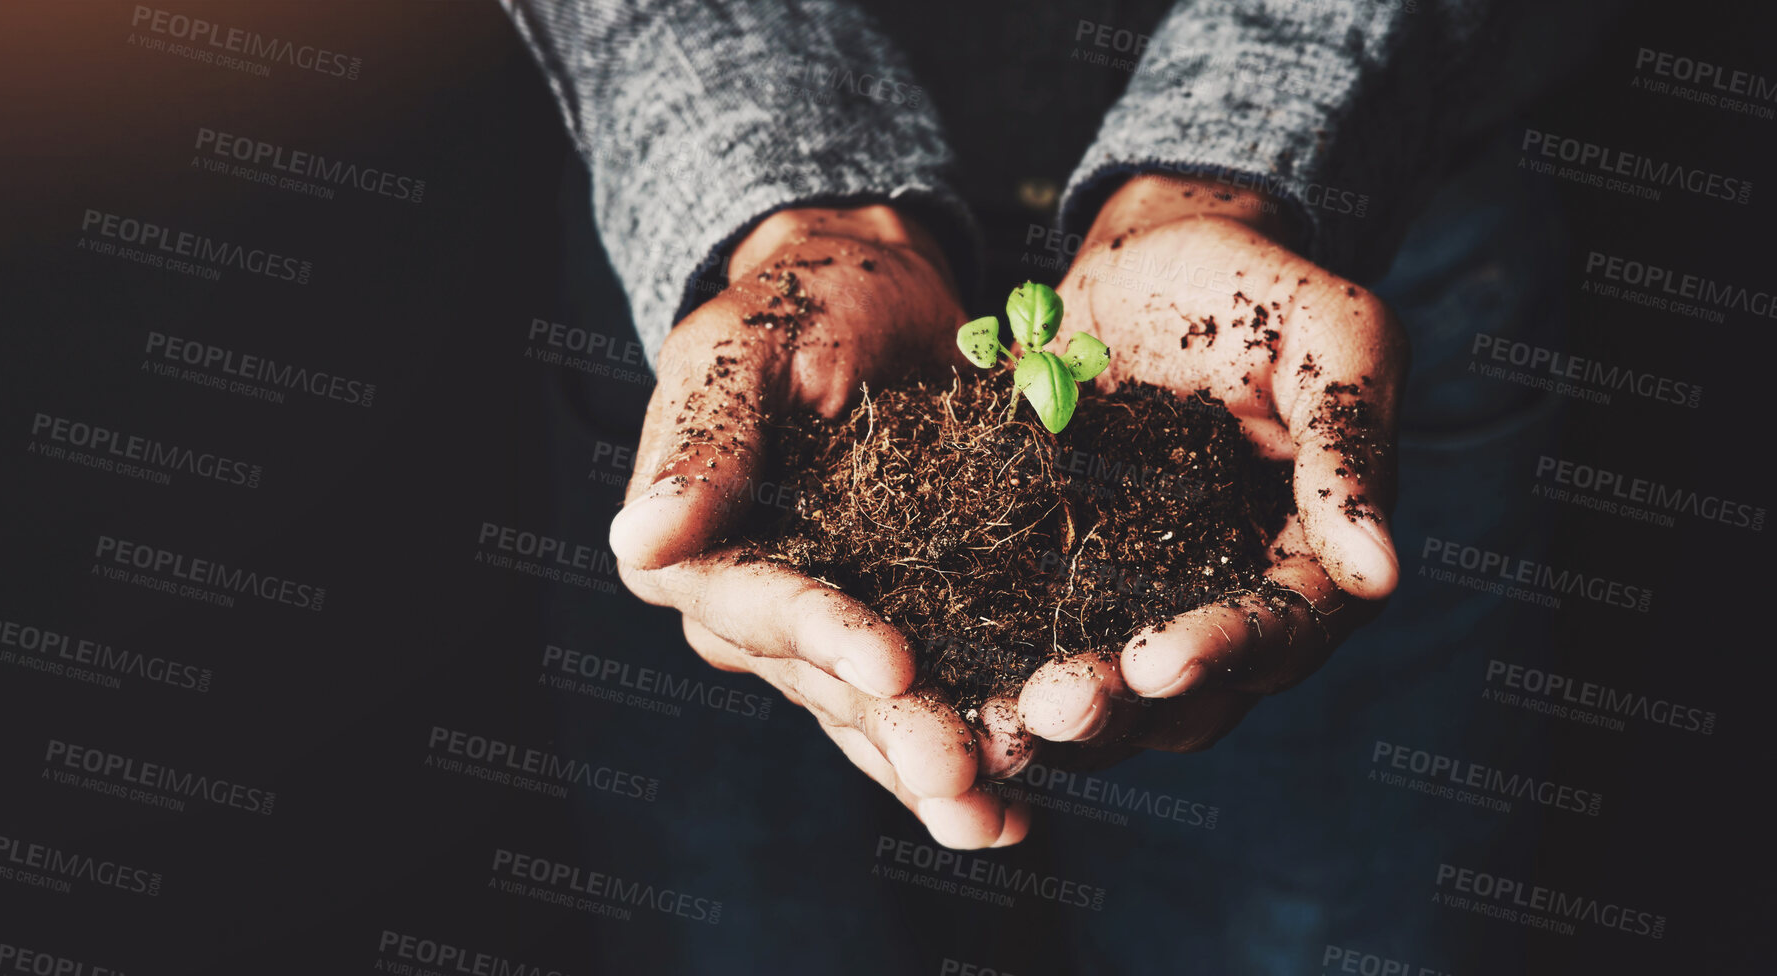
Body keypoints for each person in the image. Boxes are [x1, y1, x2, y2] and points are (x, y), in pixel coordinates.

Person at [506, 1, 1614, 970]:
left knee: (1311, 920)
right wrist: (780, 195)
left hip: (1360, 196)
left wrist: (1234, 155)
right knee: (742, 919)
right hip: (733, 262)